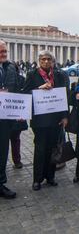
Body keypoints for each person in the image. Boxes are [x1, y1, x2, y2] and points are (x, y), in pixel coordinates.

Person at [23, 51, 68, 191]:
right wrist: (39, 89)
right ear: (39, 61)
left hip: (55, 118)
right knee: (40, 149)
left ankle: (50, 176)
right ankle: (37, 179)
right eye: (43, 59)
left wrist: (65, 116)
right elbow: (25, 93)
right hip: (40, 120)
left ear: (53, 61)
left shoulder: (59, 75)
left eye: (49, 59)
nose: (46, 62)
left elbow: (64, 95)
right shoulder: (32, 74)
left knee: (53, 148)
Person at [0, 41, 19, 199]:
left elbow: (18, 89)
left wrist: (20, 108)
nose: (3, 54)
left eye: (5, 51)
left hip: (5, 118)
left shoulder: (11, 68)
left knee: (2, 151)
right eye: (0, 51)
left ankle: (0, 183)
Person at [9, 62, 27, 169]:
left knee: (15, 139)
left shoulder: (21, 80)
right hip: (4, 115)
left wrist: (23, 113)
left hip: (17, 113)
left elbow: (25, 97)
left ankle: (17, 160)